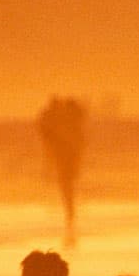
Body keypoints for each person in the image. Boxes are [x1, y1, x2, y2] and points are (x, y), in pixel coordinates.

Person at [37, 97, 87, 244]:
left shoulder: (65, 128)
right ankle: (70, 213)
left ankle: (70, 213)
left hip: (65, 159)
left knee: (66, 187)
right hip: (67, 159)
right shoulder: (71, 127)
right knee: (67, 187)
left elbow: (50, 144)